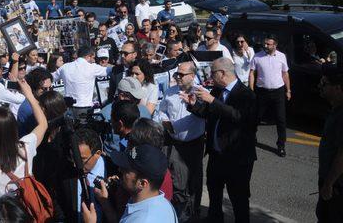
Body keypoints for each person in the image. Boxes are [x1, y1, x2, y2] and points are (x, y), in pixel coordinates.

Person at [181, 57, 257, 223]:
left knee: (238, 199)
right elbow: (209, 112)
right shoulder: (217, 91)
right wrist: (193, 105)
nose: (210, 76)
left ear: (222, 74)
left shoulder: (245, 94)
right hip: (217, 154)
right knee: (215, 194)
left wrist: (213, 101)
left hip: (237, 158)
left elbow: (239, 117)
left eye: (212, 73)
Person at [0, 78, 48, 223]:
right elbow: (43, 124)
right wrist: (30, 96)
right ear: (14, 129)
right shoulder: (26, 146)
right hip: (29, 211)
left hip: (7, 216)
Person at [157, 61, 206, 218]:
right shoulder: (170, 91)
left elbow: (206, 114)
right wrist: (165, 122)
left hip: (194, 144)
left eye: (181, 74)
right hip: (175, 143)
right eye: (176, 73)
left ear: (192, 76)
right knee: (178, 179)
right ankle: (180, 211)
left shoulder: (200, 93)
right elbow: (162, 110)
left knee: (194, 178)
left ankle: (194, 209)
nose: (177, 76)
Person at [88, 144, 177, 223]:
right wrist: (105, 202)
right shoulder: (165, 204)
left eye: (126, 170)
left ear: (142, 183)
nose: (120, 170)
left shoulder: (142, 220)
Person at [248, 34, 290, 157]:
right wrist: (251, 90)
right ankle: (251, 136)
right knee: (257, 116)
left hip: (278, 92)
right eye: (264, 44)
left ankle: (281, 145)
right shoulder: (257, 56)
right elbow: (252, 73)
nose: (265, 46)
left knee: (281, 119)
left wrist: (288, 90)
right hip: (262, 92)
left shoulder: (282, 56)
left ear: (275, 45)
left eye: (268, 44)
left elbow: (285, 74)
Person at [316, 67, 343, 222]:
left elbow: (342, 154)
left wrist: (329, 183)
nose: (320, 86)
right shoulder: (335, 109)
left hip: (337, 184)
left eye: (324, 83)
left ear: (337, 87)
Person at [53, 47, 111, 114]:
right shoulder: (92, 67)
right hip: (85, 108)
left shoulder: (65, 67)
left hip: (69, 108)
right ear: (88, 56)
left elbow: (51, 77)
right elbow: (110, 71)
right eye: (93, 58)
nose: (94, 61)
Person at [17, 67, 53, 137]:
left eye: (50, 88)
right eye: (44, 89)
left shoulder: (46, 101)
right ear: (33, 87)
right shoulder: (27, 109)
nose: (48, 92)